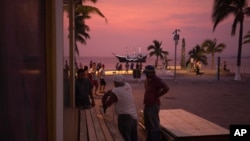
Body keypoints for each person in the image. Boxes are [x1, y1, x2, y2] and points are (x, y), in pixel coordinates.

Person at [102, 75, 138, 141]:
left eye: (114, 82)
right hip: (134, 117)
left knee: (125, 137)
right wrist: (111, 92)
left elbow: (108, 103)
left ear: (115, 82)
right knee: (133, 137)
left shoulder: (116, 91)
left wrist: (104, 104)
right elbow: (117, 91)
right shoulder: (127, 85)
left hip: (124, 118)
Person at [142, 65, 169, 141]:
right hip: (147, 104)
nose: (146, 75)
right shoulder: (148, 80)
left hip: (153, 105)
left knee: (154, 125)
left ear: (152, 73)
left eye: (147, 73)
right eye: (146, 73)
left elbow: (166, 88)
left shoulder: (157, 80)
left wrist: (157, 95)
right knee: (148, 124)